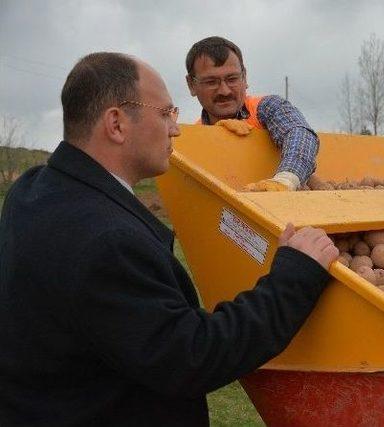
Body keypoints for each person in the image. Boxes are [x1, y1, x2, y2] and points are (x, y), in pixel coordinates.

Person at [0, 52, 338, 427]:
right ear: (116, 124)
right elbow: (192, 355)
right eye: (164, 114)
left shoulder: (31, 191)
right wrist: (296, 274)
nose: (176, 129)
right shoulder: (106, 240)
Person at [185, 36, 319, 192]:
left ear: (244, 77)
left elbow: (299, 133)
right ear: (191, 85)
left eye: (232, 79)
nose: (224, 90)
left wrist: (286, 180)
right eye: (211, 82)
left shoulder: (267, 108)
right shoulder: (193, 139)